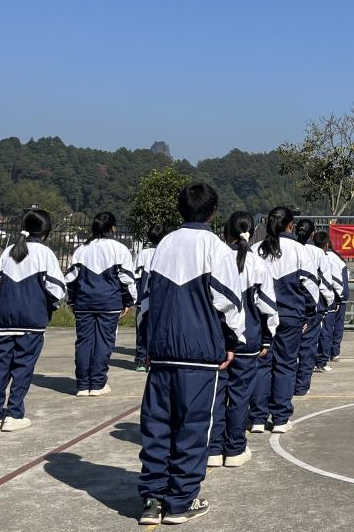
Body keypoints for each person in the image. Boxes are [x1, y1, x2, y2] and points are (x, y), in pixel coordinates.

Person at [137, 183, 245, 525]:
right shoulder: (215, 247)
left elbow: (146, 302)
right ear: (213, 213)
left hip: (163, 351)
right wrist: (233, 342)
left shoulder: (164, 244)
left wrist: (147, 345)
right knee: (193, 427)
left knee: (157, 425)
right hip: (199, 354)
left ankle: (152, 500)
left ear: (180, 210)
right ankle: (181, 501)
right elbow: (229, 302)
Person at [0, 206, 66, 432]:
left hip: (6, 320)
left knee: (0, 366)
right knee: (23, 367)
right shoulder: (45, 253)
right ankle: (14, 414)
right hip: (32, 321)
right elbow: (57, 289)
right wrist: (47, 307)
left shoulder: (9, 250)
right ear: (46, 231)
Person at [207, 212, 278, 469]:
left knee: (216, 395)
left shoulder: (217, 259)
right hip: (248, 340)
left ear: (227, 233)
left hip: (219, 338)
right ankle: (235, 448)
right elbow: (268, 306)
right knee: (239, 397)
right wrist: (267, 340)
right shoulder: (258, 265)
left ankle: (213, 449)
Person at [249, 207, 320, 434]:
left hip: (261, 317)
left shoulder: (255, 250)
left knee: (261, 365)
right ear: (291, 225)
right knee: (286, 365)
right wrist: (309, 314)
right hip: (291, 316)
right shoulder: (300, 250)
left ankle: (258, 418)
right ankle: (280, 418)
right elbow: (310, 286)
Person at [66, 211, 136, 396]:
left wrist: (72, 302)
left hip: (83, 302)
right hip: (109, 302)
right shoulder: (119, 249)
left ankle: (82, 385)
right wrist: (128, 302)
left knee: (83, 342)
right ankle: (97, 384)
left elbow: (70, 280)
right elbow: (126, 279)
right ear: (113, 228)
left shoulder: (81, 250)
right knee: (104, 342)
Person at [295, 219, 335, 396]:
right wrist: (329, 302)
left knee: (286, 349)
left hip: (288, 304)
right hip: (312, 304)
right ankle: (302, 385)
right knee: (308, 346)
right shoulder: (318, 253)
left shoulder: (283, 248)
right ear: (312, 234)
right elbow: (325, 282)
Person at [133, 223, 167, 372]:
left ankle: (141, 360)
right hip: (161, 300)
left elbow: (136, 276)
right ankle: (156, 358)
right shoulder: (166, 252)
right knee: (159, 329)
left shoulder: (143, 254)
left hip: (143, 299)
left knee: (141, 330)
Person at [312, 231, 344, 372]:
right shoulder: (327, 257)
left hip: (309, 299)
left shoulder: (304, 252)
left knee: (312, 332)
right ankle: (322, 361)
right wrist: (334, 299)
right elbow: (333, 281)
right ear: (326, 244)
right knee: (327, 331)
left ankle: (313, 360)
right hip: (324, 299)